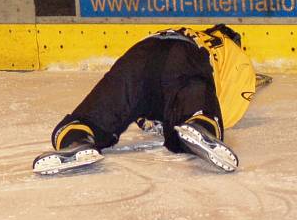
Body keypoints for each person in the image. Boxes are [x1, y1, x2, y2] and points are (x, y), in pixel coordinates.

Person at [33, 24, 256, 175]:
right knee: (198, 103)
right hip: (184, 57)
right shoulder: (233, 55)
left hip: (140, 54)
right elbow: (227, 108)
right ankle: (198, 127)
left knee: (95, 114)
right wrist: (189, 116)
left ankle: (76, 141)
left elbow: (149, 94)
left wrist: (151, 116)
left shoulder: (192, 32)